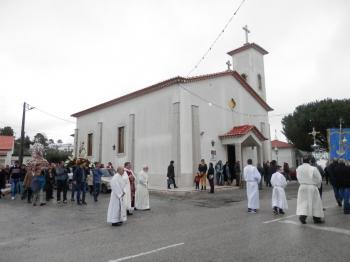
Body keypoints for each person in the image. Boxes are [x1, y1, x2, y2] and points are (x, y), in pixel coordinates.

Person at [296, 155, 324, 224]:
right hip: (311, 187)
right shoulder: (313, 168)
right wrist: (317, 185)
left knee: (303, 203)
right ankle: (316, 218)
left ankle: (302, 217)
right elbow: (319, 178)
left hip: (302, 187)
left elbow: (298, 177)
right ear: (310, 161)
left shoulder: (298, 168)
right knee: (315, 202)